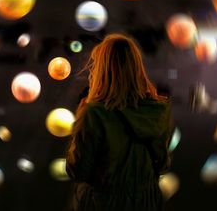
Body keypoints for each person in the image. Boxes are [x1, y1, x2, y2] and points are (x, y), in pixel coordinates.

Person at [66, 33, 174, 211]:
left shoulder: (94, 113)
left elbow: (78, 171)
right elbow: (163, 165)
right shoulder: (157, 110)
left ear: (102, 69)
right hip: (146, 202)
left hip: (103, 203)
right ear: (137, 67)